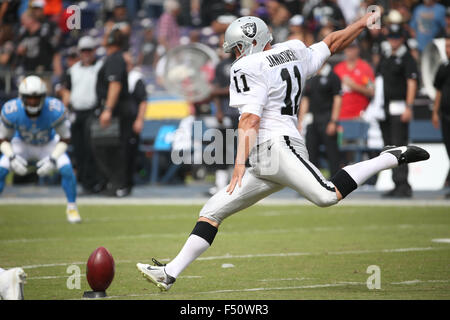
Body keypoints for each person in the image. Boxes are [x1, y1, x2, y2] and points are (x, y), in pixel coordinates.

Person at [136, 14, 429, 291]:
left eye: (238, 47)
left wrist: (239, 163)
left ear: (251, 42)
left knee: (327, 195)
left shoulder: (247, 67)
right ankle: (169, 272)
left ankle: (389, 156)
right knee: (212, 211)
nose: (236, 55)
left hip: (279, 147)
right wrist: (363, 23)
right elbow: (332, 42)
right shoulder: (294, 48)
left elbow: (250, 119)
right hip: (267, 157)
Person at [0, 75, 81, 223]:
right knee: (1, 168)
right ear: (21, 97)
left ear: (43, 97)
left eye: (36, 97)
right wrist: (11, 157)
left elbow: (65, 138)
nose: (32, 101)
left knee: (66, 168)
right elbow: (3, 138)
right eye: (29, 97)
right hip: (22, 143)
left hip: (47, 143)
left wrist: (53, 158)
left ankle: (72, 207)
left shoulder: (54, 109)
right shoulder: (11, 110)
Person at [377, 24, 419, 198]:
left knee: (400, 146)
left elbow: (412, 82)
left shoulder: (407, 57)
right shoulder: (386, 56)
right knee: (390, 146)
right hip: (385, 108)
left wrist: (409, 107)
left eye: (396, 37)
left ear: (402, 39)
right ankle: (396, 183)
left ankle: (403, 185)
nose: (393, 41)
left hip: (399, 106)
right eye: (390, 37)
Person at [61, 36, 104, 194]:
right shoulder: (73, 70)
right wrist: (65, 109)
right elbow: (66, 90)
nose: (86, 53)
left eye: (89, 50)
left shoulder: (100, 67)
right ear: (79, 52)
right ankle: (85, 182)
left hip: (93, 111)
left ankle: (95, 182)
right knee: (79, 149)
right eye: (83, 50)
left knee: (92, 148)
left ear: (94, 51)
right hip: (77, 112)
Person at [94, 28, 133, 197]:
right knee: (106, 147)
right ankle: (113, 183)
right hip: (115, 108)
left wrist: (108, 109)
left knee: (113, 148)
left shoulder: (115, 59)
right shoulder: (114, 58)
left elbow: (115, 85)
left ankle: (118, 184)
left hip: (116, 110)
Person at [299, 63, 342, 177]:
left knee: (332, 153)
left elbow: (337, 99)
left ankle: (335, 182)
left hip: (327, 119)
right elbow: (305, 99)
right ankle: (313, 181)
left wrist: (334, 121)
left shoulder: (332, 76)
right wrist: (300, 121)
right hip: (312, 120)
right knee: (311, 152)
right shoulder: (310, 76)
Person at [334, 40, 374, 120]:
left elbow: (371, 91)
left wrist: (353, 86)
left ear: (358, 49)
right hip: (341, 115)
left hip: (359, 115)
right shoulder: (338, 69)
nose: (350, 51)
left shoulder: (365, 68)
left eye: (353, 48)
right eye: (348, 48)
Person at [432, 36, 450, 198]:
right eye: (446, 46)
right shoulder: (444, 67)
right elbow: (438, 90)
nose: (447, 50)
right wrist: (435, 112)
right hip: (445, 115)